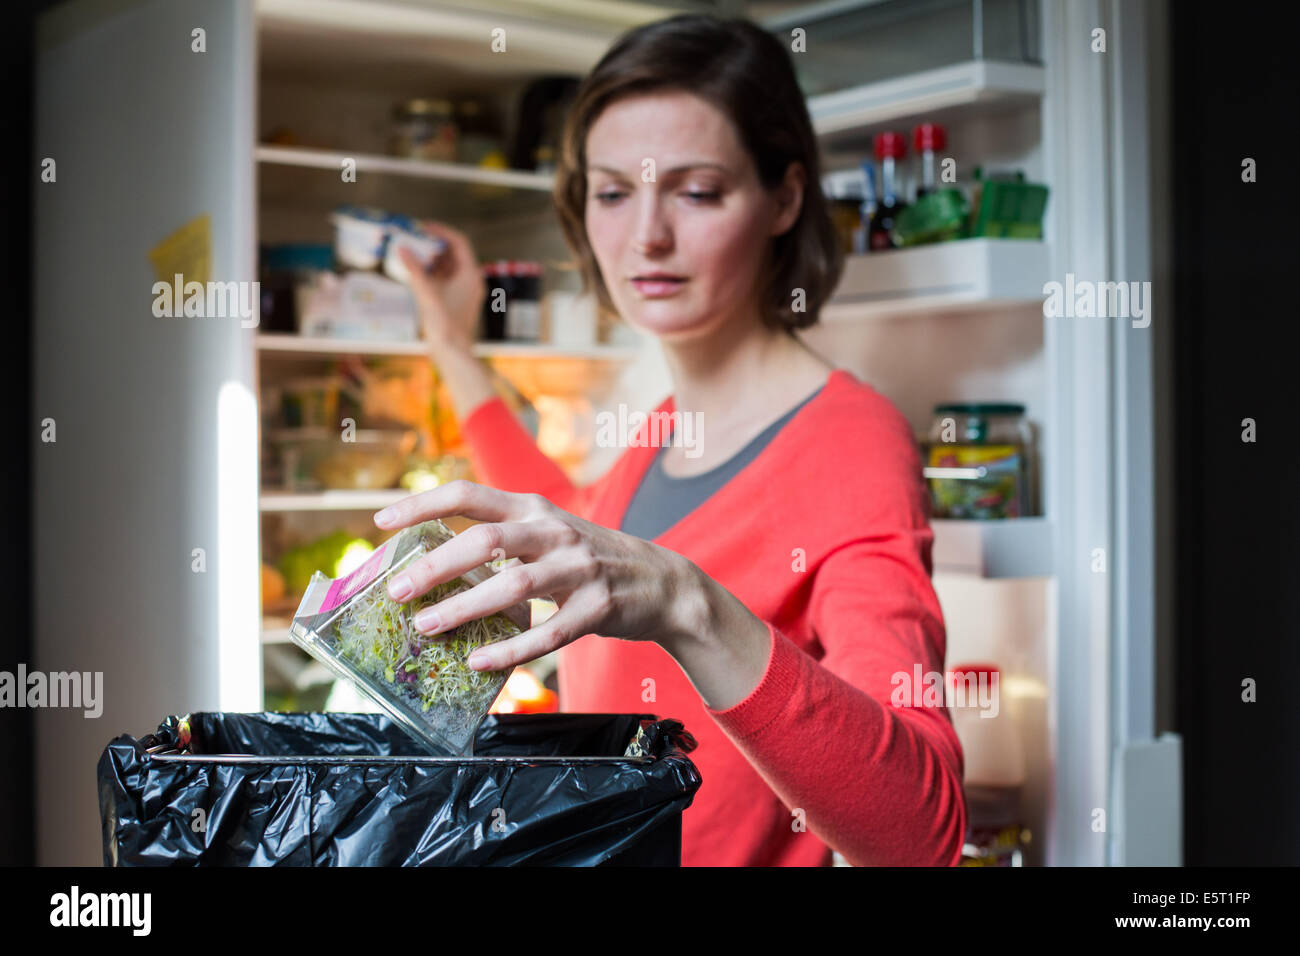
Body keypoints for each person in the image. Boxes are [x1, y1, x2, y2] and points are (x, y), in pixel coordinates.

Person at [378, 13, 966, 866]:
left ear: (785, 199)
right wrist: (450, 345)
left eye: (695, 192)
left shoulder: (851, 442)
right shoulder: (661, 430)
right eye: (614, 192)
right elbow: (570, 520)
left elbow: (922, 832)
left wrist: (687, 601)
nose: (647, 236)